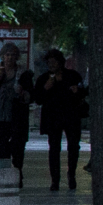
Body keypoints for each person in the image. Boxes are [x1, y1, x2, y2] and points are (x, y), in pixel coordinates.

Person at [32, 49, 87, 191]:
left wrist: (77, 91)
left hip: (71, 116)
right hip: (53, 117)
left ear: (60, 62)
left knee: (73, 146)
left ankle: (71, 174)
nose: (51, 65)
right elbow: (38, 98)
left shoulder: (72, 76)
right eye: (49, 62)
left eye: (54, 62)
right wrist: (46, 88)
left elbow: (82, 93)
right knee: (54, 148)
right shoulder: (44, 79)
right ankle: (55, 179)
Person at [0, 42, 34, 176]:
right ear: (2, 56)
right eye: (7, 55)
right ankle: (3, 176)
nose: (10, 58)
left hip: (17, 119)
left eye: (13, 55)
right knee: (1, 151)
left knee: (18, 150)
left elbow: (31, 96)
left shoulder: (23, 73)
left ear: (17, 57)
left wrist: (23, 93)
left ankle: (17, 175)